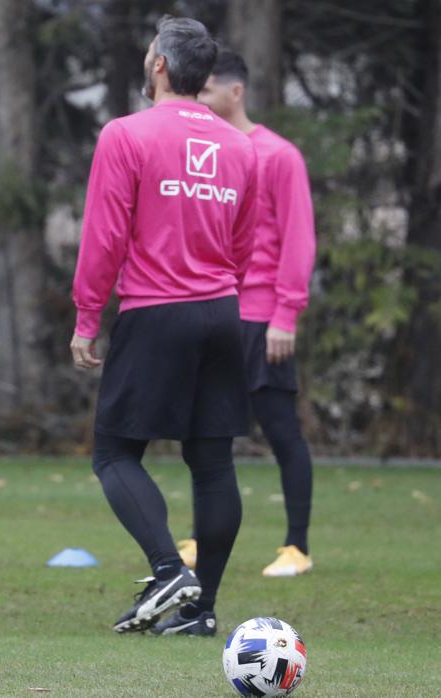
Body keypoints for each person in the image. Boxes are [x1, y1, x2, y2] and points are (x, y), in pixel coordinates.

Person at [69, 16, 259, 637]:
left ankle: (169, 569)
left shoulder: (126, 134)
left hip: (156, 311)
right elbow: (245, 243)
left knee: (114, 452)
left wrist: (86, 317)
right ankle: (200, 614)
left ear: (158, 65)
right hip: (222, 313)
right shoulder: (240, 145)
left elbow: (103, 236)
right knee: (212, 461)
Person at [180, 48, 317, 580]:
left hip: (265, 318)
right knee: (206, 433)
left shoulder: (279, 155)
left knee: (282, 431)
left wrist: (286, 313)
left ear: (235, 92)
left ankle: (296, 546)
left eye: (208, 90)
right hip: (218, 313)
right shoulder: (209, 152)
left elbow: (299, 240)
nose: (201, 100)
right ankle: (200, 536)